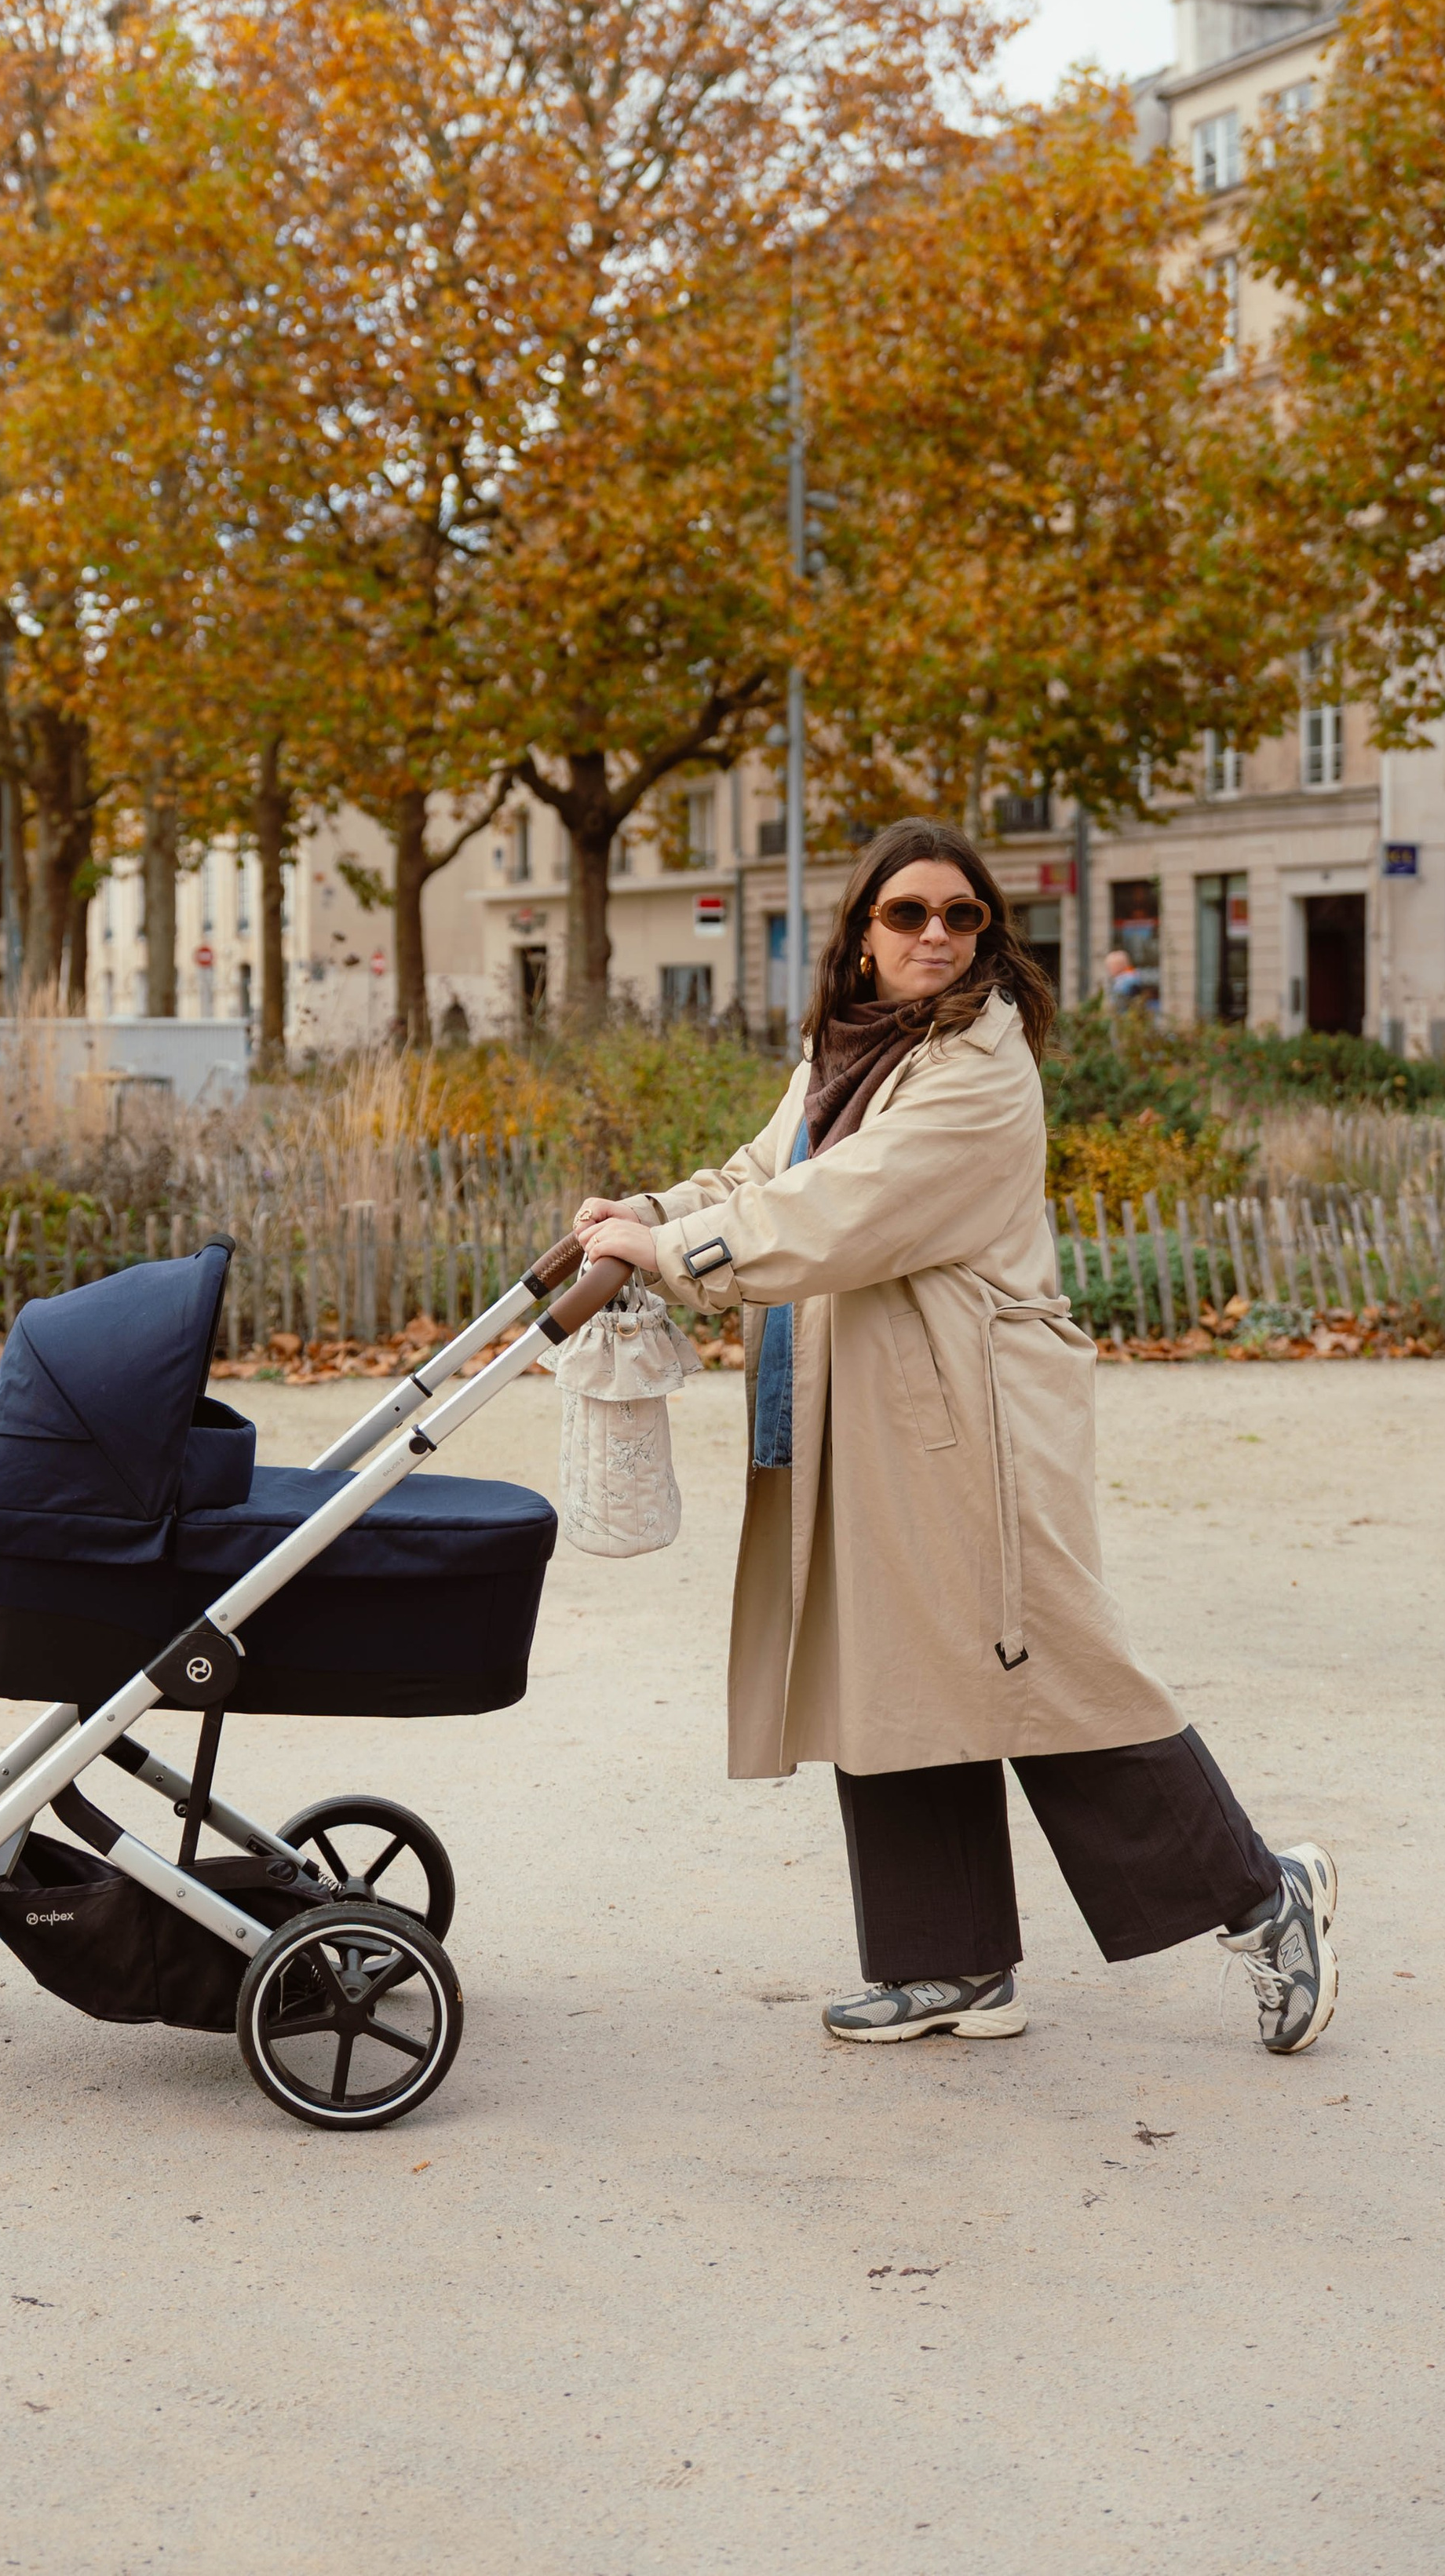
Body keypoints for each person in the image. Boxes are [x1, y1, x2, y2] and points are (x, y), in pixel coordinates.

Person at [575, 819, 1337, 2055]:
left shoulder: (981, 1066)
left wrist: (677, 1257)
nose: (937, 935)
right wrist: (651, 1212)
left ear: (989, 936)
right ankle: (948, 1966)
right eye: (908, 914)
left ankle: (1265, 1900)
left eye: (963, 916)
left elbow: (846, 1208)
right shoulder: (850, 1051)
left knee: (1049, 1676)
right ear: (863, 938)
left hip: (965, 1422)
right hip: (860, 1410)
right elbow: (765, 1169)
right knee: (887, 1673)